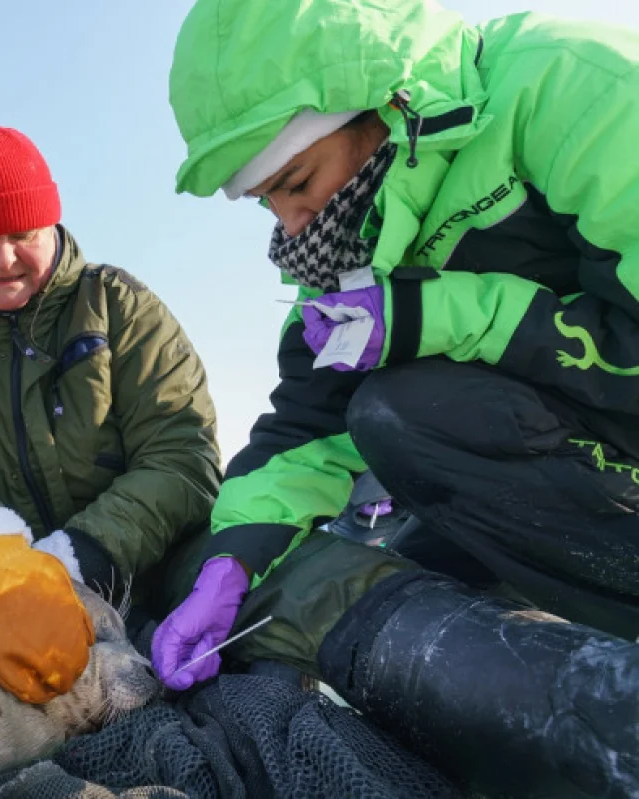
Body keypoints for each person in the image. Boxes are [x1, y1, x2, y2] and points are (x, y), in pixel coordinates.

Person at [152, 1, 639, 796]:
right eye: (265, 202)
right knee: (402, 575)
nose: (292, 222)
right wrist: (229, 563)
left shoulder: (574, 85)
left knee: (406, 409)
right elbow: (305, 422)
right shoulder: (347, 231)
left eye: (296, 183)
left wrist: (437, 315)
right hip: (577, 466)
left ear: (384, 103)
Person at [0, 126, 221, 705]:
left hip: (154, 576)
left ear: (51, 223)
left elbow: (183, 455)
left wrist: (75, 562)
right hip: (3, 603)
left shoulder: (120, 305)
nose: (4, 258)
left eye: (22, 232)